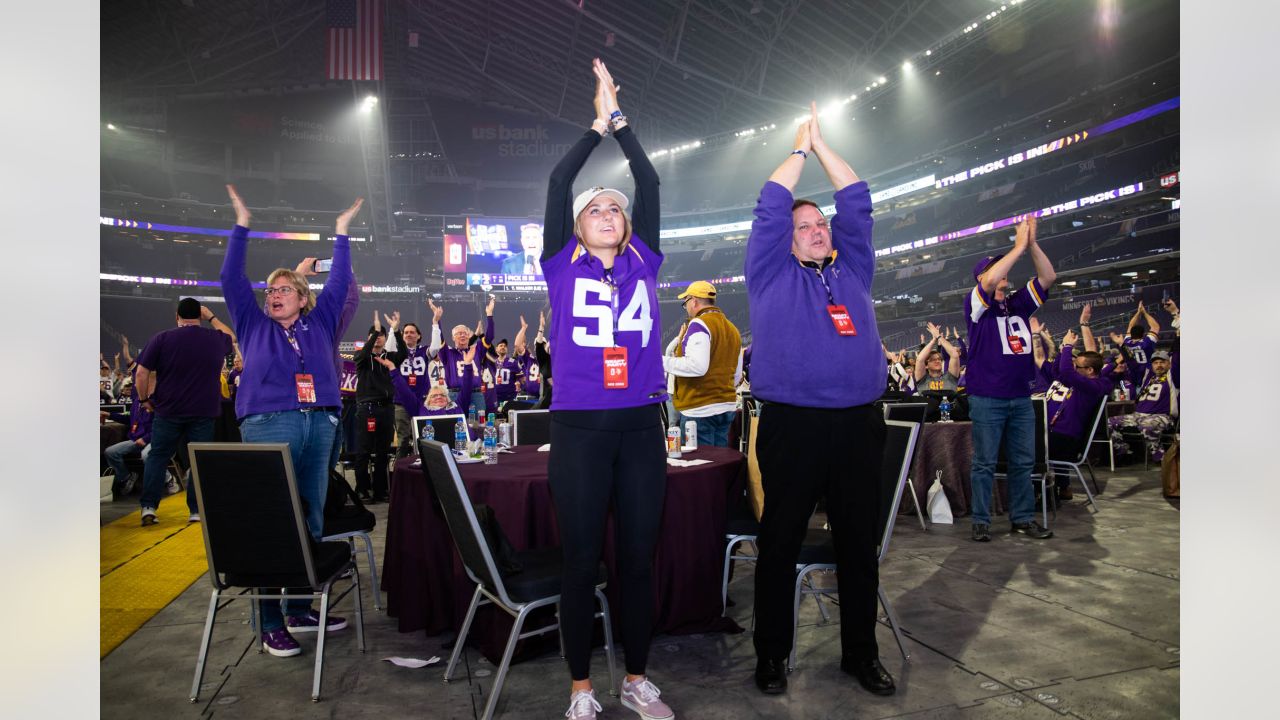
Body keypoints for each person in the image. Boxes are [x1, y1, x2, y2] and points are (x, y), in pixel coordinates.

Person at [745, 102, 893, 698]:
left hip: (859, 424)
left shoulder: (853, 270)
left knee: (858, 546)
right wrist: (799, 149)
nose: (817, 230)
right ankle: (772, 656)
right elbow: (768, 203)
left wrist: (824, 142)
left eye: (821, 224)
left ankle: (861, 653)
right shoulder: (770, 274)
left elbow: (856, 197)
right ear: (786, 238)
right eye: (803, 225)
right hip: (795, 425)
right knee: (780, 544)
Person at [542, 59, 674, 720]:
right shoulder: (558, 265)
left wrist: (621, 124)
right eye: (594, 208)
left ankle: (638, 677)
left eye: (613, 208)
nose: (606, 211)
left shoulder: (645, 261)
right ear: (577, 225)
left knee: (639, 558)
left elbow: (646, 178)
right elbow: (559, 178)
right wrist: (592, 126)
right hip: (579, 429)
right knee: (580, 561)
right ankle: (581, 687)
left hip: (640, 426)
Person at [220, 183, 362, 658]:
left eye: (285, 289)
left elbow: (340, 284)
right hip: (268, 423)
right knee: (272, 521)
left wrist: (341, 234)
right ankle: (269, 621)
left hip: (319, 423)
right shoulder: (252, 325)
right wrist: (242, 224)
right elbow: (231, 280)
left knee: (313, 516)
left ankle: (300, 607)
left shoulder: (321, 324)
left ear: (302, 297)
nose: (275, 294)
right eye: (272, 290)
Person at [964, 214, 1056, 543]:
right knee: (985, 462)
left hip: (1020, 394)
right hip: (987, 395)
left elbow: (1048, 276)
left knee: (1022, 461)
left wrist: (1031, 246)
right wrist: (1016, 248)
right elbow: (989, 283)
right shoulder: (977, 305)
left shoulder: (1017, 305)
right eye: (999, 268)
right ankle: (980, 520)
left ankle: (1022, 518)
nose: (1006, 273)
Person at [134, 299, 235, 526]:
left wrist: (144, 400)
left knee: (158, 457)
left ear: (177, 317)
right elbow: (232, 336)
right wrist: (212, 317)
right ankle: (196, 510)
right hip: (203, 411)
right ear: (199, 316)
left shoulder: (162, 338)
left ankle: (149, 507)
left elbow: (141, 374)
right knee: (198, 461)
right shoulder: (214, 339)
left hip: (168, 410)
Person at [662, 280, 742, 447]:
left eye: (686, 303)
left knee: (700, 464)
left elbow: (697, 366)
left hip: (699, 409)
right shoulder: (732, 328)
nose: (687, 308)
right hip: (726, 406)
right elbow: (736, 374)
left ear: (694, 301)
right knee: (720, 463)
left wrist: (662, 362)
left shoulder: (699, 323)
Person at [1045, 328, 1112, 500]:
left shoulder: (1093, 386)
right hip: (1062, 435)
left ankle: (1039, 491)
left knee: (1024, 447)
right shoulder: (1086, 382)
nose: (1074, 369)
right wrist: (1062, 351)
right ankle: (1062, 486)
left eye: (1078, 367)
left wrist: (1068, 347)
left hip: (1067, 439)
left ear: (1090, 370)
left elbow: (1066, 373)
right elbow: (1058, 373)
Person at [352, 311, 406, 503]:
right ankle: (362, 489)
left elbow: (404, 353)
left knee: (383, 451)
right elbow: (364, 353)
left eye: (381, 336)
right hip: (367, 408)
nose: (378, 339)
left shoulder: (390, 357)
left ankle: (381, 489)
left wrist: (396, 330)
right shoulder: (362, 357)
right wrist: (375, 332)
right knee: (364, 451)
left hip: (386, 408)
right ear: (369, 338)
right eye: (374, 336)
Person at [387, 300, 443, 458]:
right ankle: (400, 473)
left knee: (424, 439)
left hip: (421, 400)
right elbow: (388, 348)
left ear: (419, 336)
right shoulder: (398, 351)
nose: (409, 334)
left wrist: (435, 323)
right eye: (406, 332)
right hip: (401, 401)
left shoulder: (424, 351)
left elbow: (436, 346)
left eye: (412, 332)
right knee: (403, 440)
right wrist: (393, 329)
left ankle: (424, 471)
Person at [1108, 348, 1178, 462]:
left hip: (1161, 416)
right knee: (1109, 422)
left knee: (1147, 427)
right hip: (1138, 415)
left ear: (1169, 364)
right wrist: (1122, 346)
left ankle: (1161, 458)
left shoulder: (1173, 378)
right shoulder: (1147, 378)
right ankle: (1125, 452)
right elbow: (1133, 364)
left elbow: (1177, 360)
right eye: (1156, 363)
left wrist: (1178, 340)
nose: (1159, 365)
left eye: (1162, 362)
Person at [101, 364, 152, 497]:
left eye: (136, 383)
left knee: (147, 455)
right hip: (136, 440)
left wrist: (146, 439)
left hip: (153, 440)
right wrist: (110, 414)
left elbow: (162, 427)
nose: (134, 386)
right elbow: (130, 419)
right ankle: (126, 477)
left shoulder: (155, 401)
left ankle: (168, 479)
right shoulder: (137, 402)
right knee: (110, 452)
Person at [913, 321, 961, 394]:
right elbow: (919, 360)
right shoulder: (923, 379)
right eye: (932, 360)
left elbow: (954, 355)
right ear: (926, 366)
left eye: (939, 359)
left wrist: (938, 336)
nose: (937, 361)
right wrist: (933, 341)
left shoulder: (950, 377)